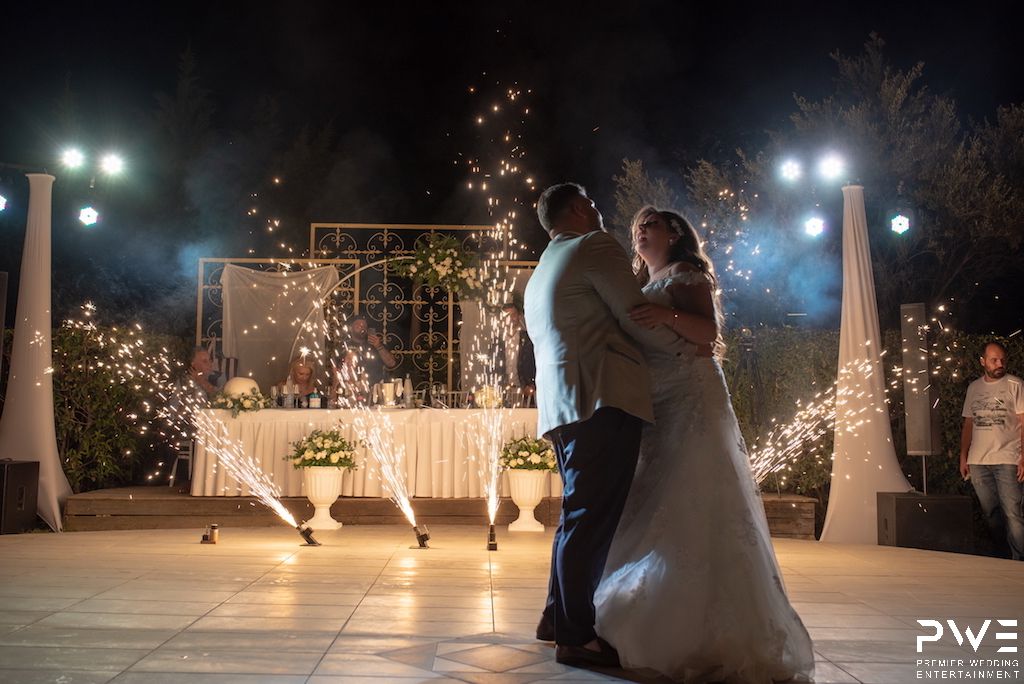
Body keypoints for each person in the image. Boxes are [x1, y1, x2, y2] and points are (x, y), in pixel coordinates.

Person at [593, 206, 814, 682]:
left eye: (650, 225)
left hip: (691, 395)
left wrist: (663, 314)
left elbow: (707, 333)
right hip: (656, 399)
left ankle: (706, 630)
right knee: (653, 501)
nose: (640, 233)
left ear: (674, 234)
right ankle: (652, 609)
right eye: (636, 227)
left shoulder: (686, 274)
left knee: (692, 495)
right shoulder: (641, 280)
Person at [524, 184, 687, 669]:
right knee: (590, 521)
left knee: (577, 516)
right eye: (592, 203)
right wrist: (686, 351)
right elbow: (635, 316)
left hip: (563, 405)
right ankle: (576, 636)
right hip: (601, 397)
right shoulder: (593, 245)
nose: (598, 211)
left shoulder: (543, 265)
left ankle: (556, 617)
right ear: (579, 208)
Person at [959, 341, 1024, 560]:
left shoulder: (1015, 384)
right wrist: (963, 456)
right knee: (991, 514)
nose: (999, 364)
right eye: (994, 360)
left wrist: (1023, 457)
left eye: (1002, 359)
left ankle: (1019, 561)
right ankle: (1001, 559)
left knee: (1013, 513)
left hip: (1008, 458)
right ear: (983, 361)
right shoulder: (974, 388)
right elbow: (969, 424)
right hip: (979, 461)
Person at [342, 314, 399, 387]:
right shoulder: (344, 346)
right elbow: (336, 369)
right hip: (351, 387)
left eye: (364, 326)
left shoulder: (375, 344)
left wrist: (379, 346)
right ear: (351, 328)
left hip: (374, 387)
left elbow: (391, 363)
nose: (362, 328)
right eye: (358, 326)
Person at [500, 299, 536, 397]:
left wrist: (531, 384)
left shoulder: (527, 339)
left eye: (513, 315)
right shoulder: (498, 341)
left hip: (524, 388)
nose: (510, 319)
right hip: (502, 390)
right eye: (507, 316)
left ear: (519, 316)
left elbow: (533, 362)